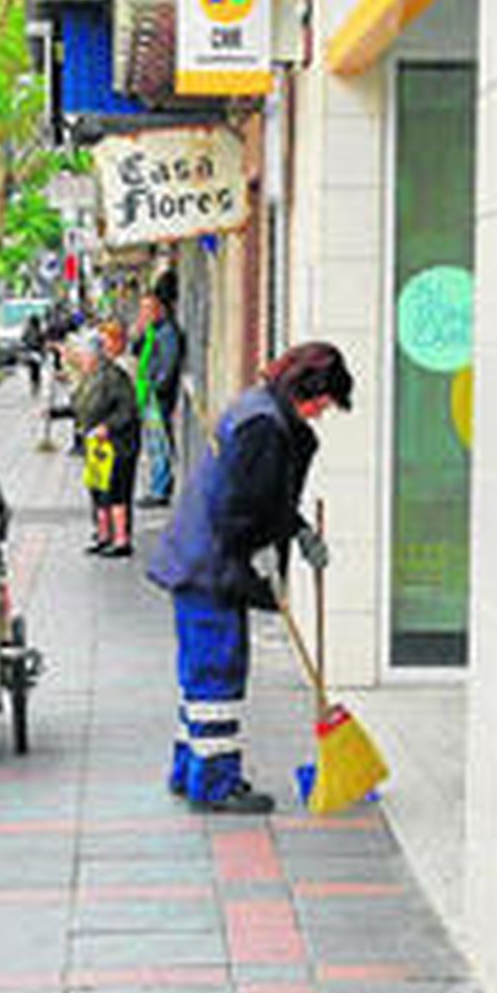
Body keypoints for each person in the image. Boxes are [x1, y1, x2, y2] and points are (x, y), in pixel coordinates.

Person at [147, 342, 353, 814]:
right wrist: (259, 558)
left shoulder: (261, 410)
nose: (322, 413)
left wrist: (298, 532)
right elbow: (240, 509)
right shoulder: (264, 425)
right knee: (218, 671)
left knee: (200, 672)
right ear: (307, 387)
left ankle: (189, 769)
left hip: (202, 560)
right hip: (211, 567)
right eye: (323, 402)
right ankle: (215, 784)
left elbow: (264, 497)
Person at [80, 321, 140, 558]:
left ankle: (121, 540)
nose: (81, 360)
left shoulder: (114, 375)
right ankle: (104, 536)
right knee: (99, 491)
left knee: (116, 490)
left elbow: (127, 410)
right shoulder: (93, 377)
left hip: (118, 444)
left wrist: (108, 426)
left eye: (84, 356)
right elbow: (83, 406)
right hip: (98, 446)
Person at [134, 287, 182, 507]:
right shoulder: (152, 332)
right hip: (148, 394)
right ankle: (157, 484)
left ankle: (160, 490)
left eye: (149, 309)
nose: (145, 314)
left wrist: (157, 387)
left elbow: (169, 364)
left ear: (161, 309)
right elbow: (137, 351)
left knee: (159, 442)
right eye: (142, 309)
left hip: (158, 396)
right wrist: (141, 332)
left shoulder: (167, 333)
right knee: (153, 442)